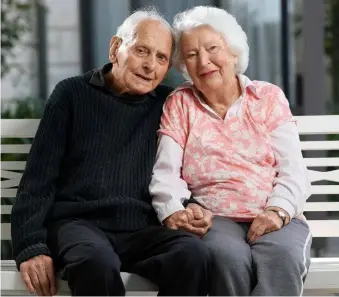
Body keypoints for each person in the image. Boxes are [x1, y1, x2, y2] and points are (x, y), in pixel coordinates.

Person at [11, 8, 211, 296]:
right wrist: (30, 245)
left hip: (144, 227)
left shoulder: (169, 103)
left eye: (161, 58)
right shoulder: (71, 94)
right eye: (142, 50)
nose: (150, 66)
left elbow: (181, 170)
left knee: (193, 255)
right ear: (116, 47)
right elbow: (37, 182)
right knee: (96, 262)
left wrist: (192, 206)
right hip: (79, 225)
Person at [150, 6, 312, 296]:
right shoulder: (180, 104)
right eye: (191, 54)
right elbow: (166, 171)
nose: (204, 61)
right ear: (183, 66)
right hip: (215, 218)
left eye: (212, 48)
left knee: (281, 258)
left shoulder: (267, 97)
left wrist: (278, 210)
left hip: (274, 212)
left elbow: (293, 170)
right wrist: (174, 209)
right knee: (227, 260)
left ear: (233, 52)